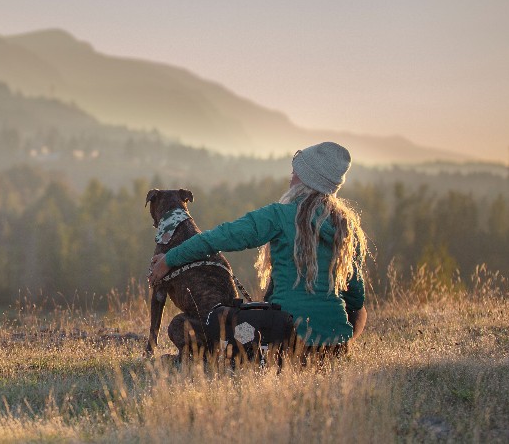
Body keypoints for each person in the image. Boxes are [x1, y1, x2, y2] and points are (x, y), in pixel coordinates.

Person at [149, 141, 368, 358]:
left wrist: (170, 258)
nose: (291, 177)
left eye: (295, 173)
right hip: (335, 345)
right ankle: (336, 349)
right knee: (360, 311)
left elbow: (220, 237)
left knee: (220, 320)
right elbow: (356, 300)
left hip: (286, 340)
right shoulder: (346, 227)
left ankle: (210, 358)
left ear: (305, 180)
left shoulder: (279, 215)